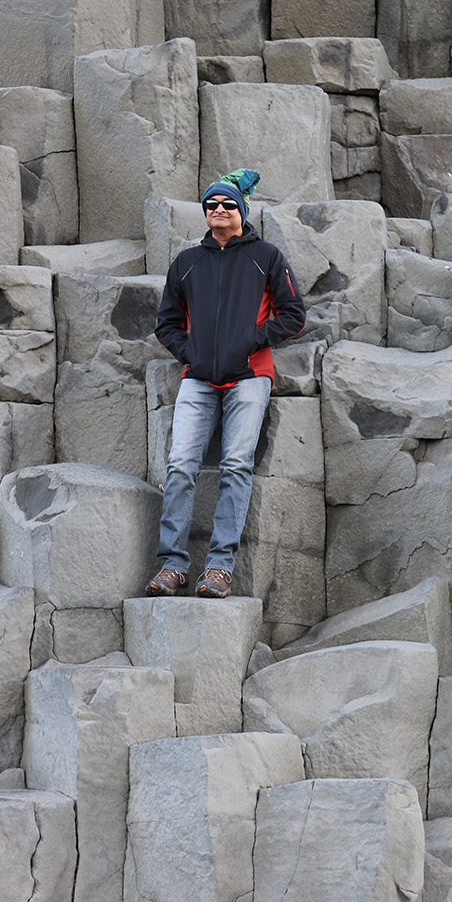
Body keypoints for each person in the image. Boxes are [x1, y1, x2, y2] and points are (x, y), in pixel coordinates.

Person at [146, 169, 306, 599]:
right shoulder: (186, 262)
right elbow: (166, 323)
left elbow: (294, 315)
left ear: (242, 211)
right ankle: (174, 565)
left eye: (227, 204)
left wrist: (251, 341)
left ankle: (218, 567)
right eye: (211, 205)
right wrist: (191, 352)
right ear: (204, 213)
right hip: (197, 379)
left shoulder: (266, 257)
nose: (219, 210)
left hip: (250, 377)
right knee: (180, 465)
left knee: (236, 467)